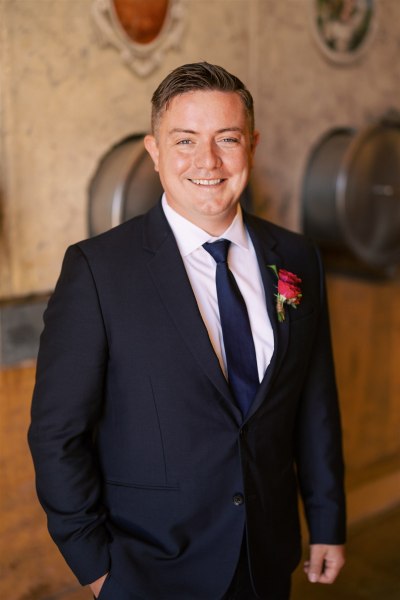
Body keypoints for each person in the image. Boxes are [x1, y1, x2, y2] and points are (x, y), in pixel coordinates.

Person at [28, 62, 346, 600]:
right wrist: (98, 569)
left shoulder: (296, 258)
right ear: (154, 152)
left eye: (227, 138)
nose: (208, 161)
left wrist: (327, 519)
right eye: (185, 141)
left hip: (266, 557)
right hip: (148, 568)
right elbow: (57, 435)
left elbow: (314, 404)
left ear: (252, 144)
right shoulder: (98, 270)